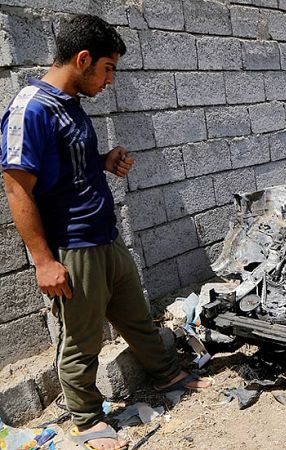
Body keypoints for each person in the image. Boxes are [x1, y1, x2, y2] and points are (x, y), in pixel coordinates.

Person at [1, 15, 210, 450]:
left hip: (105, 236)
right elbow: (17, 187)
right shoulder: (30, 108)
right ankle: (88, 418)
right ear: (82, 59)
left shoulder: (70, 104)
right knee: (82, 341)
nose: (111, 80)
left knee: (137, 315)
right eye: (108, 68)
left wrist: (103, 160)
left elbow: (65, 167)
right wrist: (43, 261)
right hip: (73, 247)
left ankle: (168, 374)